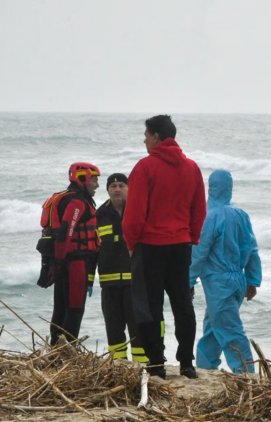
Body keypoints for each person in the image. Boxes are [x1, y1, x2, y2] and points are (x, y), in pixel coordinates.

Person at [123, 115, 206, 379]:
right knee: (182, 304)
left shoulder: (145, 167)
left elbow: (135, 212)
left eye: (146, 134)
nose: (144, 139)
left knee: (149, 306)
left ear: (157, 137)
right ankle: (186, 363)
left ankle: (156, 362)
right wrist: (191, 237)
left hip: (150, 245)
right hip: (181, 245)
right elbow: (199, 210)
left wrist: (131, 242)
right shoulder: (191, 167)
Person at [189, 170, 262, 374]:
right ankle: (205, 367)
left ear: (210, 187)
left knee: (229, 330)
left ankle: (246, 373)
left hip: (218, 281)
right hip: (238, 279)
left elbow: (199, 252)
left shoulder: (208, 216)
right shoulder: (241, 215)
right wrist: (253, 280)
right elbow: (252, 249)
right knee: (214, 327)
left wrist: (188, 280)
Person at [43, 162, 101, 345]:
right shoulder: (76, 202)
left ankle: (56, 349)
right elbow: (67, 232)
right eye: (94, 180)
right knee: (75, 309)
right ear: (82, 178)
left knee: (60, 308)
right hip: (74, 263)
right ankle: (67, 351)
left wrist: (56, 264)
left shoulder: (66, 198)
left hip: (62, 262)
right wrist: (60, 262)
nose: (97, 185)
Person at [95, 173, 147, 363]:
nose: (117, 189)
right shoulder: (99, 215)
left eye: (121, 185)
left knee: (138, 327)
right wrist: (88, 279)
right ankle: (118, 365)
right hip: (109, 284)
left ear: (129, 188)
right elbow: (93, 250)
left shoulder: (139, 211)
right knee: (113, 327)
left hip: (135, 283)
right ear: (107, 190)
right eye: (113, 186)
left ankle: (142, 365)